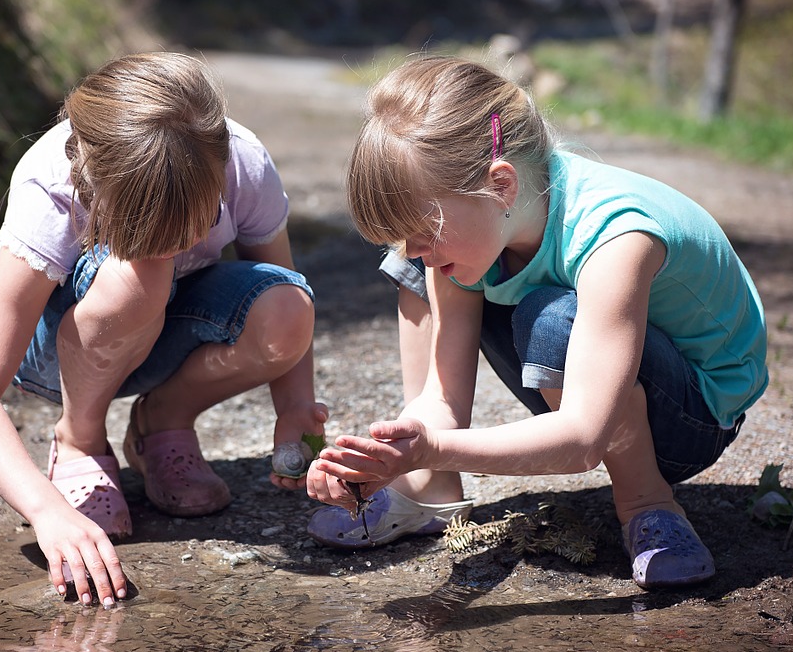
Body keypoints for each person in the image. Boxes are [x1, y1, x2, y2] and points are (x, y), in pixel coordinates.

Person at [305, 55, 768, 589]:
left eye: (424, 228)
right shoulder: (480, 227)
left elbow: (582, 440)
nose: (415, 250)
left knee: (551, 320)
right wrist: (378, 459)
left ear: (500, 185)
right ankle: (429, 490)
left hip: (692, 416)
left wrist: (434, 446)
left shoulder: (615, 236)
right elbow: (443, 401)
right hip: (596, 379)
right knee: (433, 271)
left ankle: (647, 503)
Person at [0, 52, 327, 607]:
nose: (178, 245)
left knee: (289, 307)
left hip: (163, 332)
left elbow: (280, 279)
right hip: (55, 347)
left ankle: (161, 423)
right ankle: (80, 439)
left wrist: (296, 407)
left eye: (191, 226)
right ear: (93, 188)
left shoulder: (240, 158)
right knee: (141, 276)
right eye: (154, 231)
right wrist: (47, 510)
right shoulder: (51, 185)